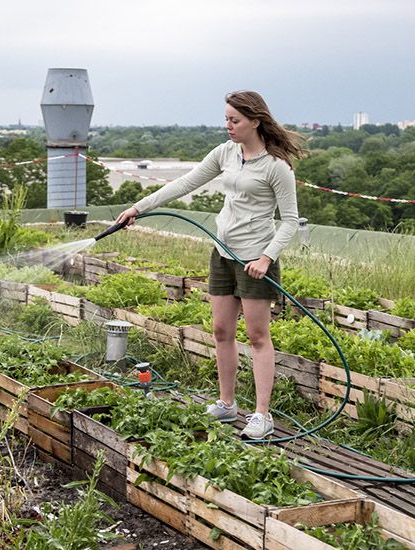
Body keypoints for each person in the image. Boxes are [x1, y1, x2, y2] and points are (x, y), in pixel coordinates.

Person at [113, 90, 306, 439]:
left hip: (255, 260)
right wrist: (138, 208)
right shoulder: (225, 153)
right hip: (222, 253)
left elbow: (290, 220)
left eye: (235, 120)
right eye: (226, 119)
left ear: (255, 121)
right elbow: (185, 183)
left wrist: (266, 257)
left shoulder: (277, 167)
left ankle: (262, 415)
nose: (228, 126)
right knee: (221, 331)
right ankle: (227, 403)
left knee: (258, 336)